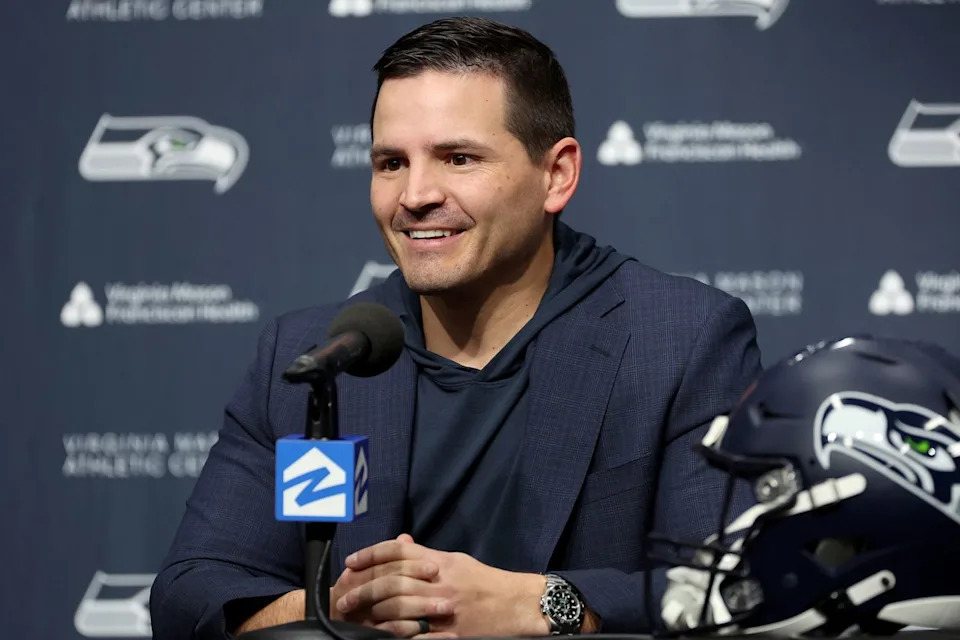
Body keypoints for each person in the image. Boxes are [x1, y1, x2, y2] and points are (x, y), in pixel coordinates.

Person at [149, 16, 762, 640]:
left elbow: (736, 591)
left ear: (557, 175)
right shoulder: (315, 360)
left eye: (458, 157)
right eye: (391, 162)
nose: (414, 194)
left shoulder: (679, 339)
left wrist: (541, 605)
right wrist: (335, 609)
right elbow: (190, 595)